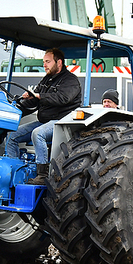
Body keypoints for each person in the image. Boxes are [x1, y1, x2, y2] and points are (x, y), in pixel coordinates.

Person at [5, 48, 82, 184]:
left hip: (62, 122)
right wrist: (18, 105)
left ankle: (42, 174)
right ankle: (14, 171)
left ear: (59, 62)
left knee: (38, 133)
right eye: (43, 62)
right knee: (12, 135)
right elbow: (34, 101)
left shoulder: (70, 81)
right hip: (44, 121)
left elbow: (62, 98)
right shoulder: (46, 80)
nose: (44, 65)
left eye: (47, 62)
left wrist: (39, 96)